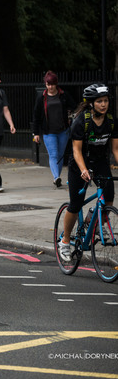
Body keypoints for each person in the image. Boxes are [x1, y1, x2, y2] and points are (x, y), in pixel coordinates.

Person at [57, 83, 118, 262]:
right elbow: (76, 150)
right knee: (75, 204)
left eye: (106, 100)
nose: (103, 104)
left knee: (108, 197)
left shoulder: (112, 121)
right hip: (79, 164)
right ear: (91, 103)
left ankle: (96, 218)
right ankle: (65, 240)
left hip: (100, 162)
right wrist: (83, 170)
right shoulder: (81, 121)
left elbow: (115, 149)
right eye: (99, 101)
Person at [31, 71, 77, 188]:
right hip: (48, 132)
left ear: (56, 84)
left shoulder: (63, 95)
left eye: (52, 84)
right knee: (53, 154)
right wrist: (36, 133)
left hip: (63, 131)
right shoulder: (41, 97)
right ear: (45, 84)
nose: (50, 87)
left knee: (60, 155)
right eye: (48, 84)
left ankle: (57, 177)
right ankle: (56, 177)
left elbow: (74, 107)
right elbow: (36, 116)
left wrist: (71, 114)